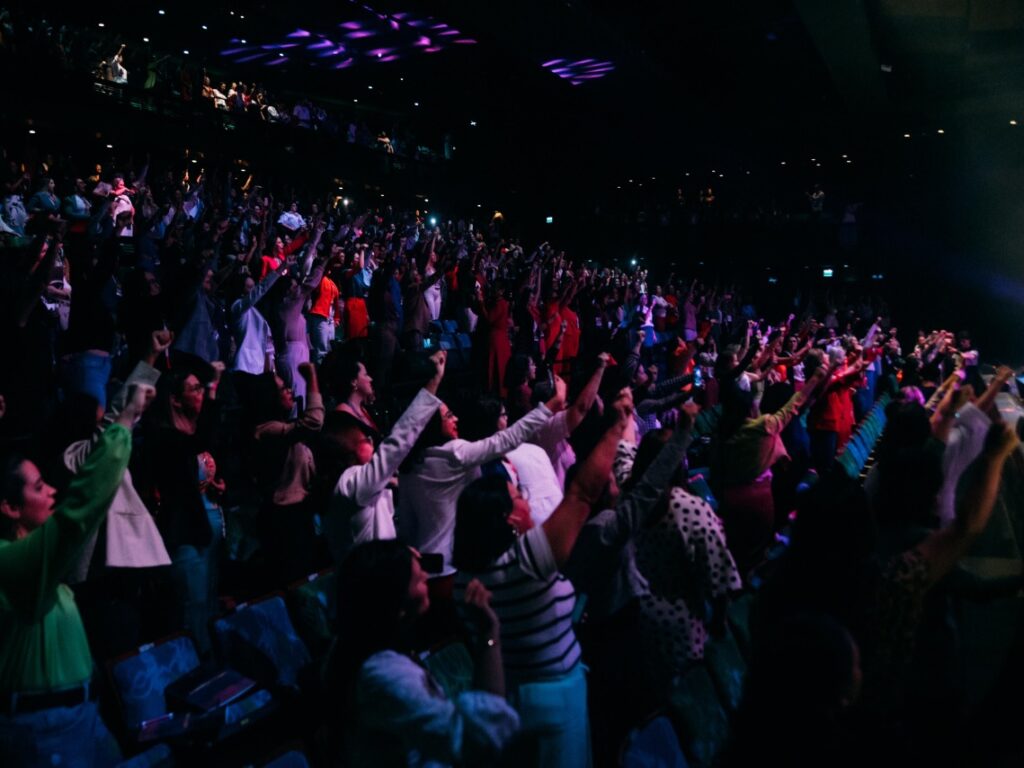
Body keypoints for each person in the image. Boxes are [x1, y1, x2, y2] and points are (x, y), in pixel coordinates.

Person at [451, 388, 631, 768]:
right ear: (509, 518)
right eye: (519, 496)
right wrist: (616, 429)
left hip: (518, 691)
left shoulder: (463, 579)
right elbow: (582, 493)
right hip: (553, 697)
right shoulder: (526, 560)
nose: (528, 502)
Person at [0, 383, 152, 767]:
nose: (51, 490)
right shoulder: (11, 562)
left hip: (80, 715)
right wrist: (127, 418)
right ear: (9, 507)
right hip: (44, 727)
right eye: (38, 487)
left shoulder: (35, 562)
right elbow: (77, 512)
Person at [329, 540, 519, 767]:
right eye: (418, 580)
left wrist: (399, 559)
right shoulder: (384, 677)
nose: (427, 578)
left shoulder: (355, 645)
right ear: (395, 603)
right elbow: (479, 738)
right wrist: (489, 633)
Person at [324, 351, 446, 563]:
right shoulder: (354, 485)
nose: (373, 443)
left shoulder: (365, 486)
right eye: (365, 441)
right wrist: (433, 383)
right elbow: (396, 443)